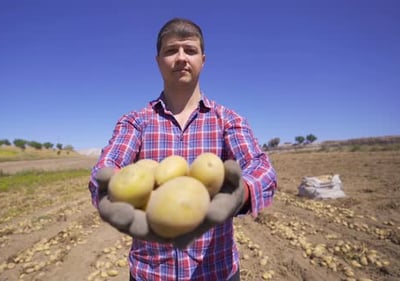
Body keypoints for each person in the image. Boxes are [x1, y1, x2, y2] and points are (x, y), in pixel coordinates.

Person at [89, 17, 277, 281]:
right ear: (158, 61)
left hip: (217, 272)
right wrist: (109, 191)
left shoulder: (228, 120)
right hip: (150, 274)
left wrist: (242, 192)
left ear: (203, 59)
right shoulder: (135, 121)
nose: (181, 58)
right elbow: (107, 166)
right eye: (170, 50)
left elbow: (262, 168)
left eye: (190, 50)